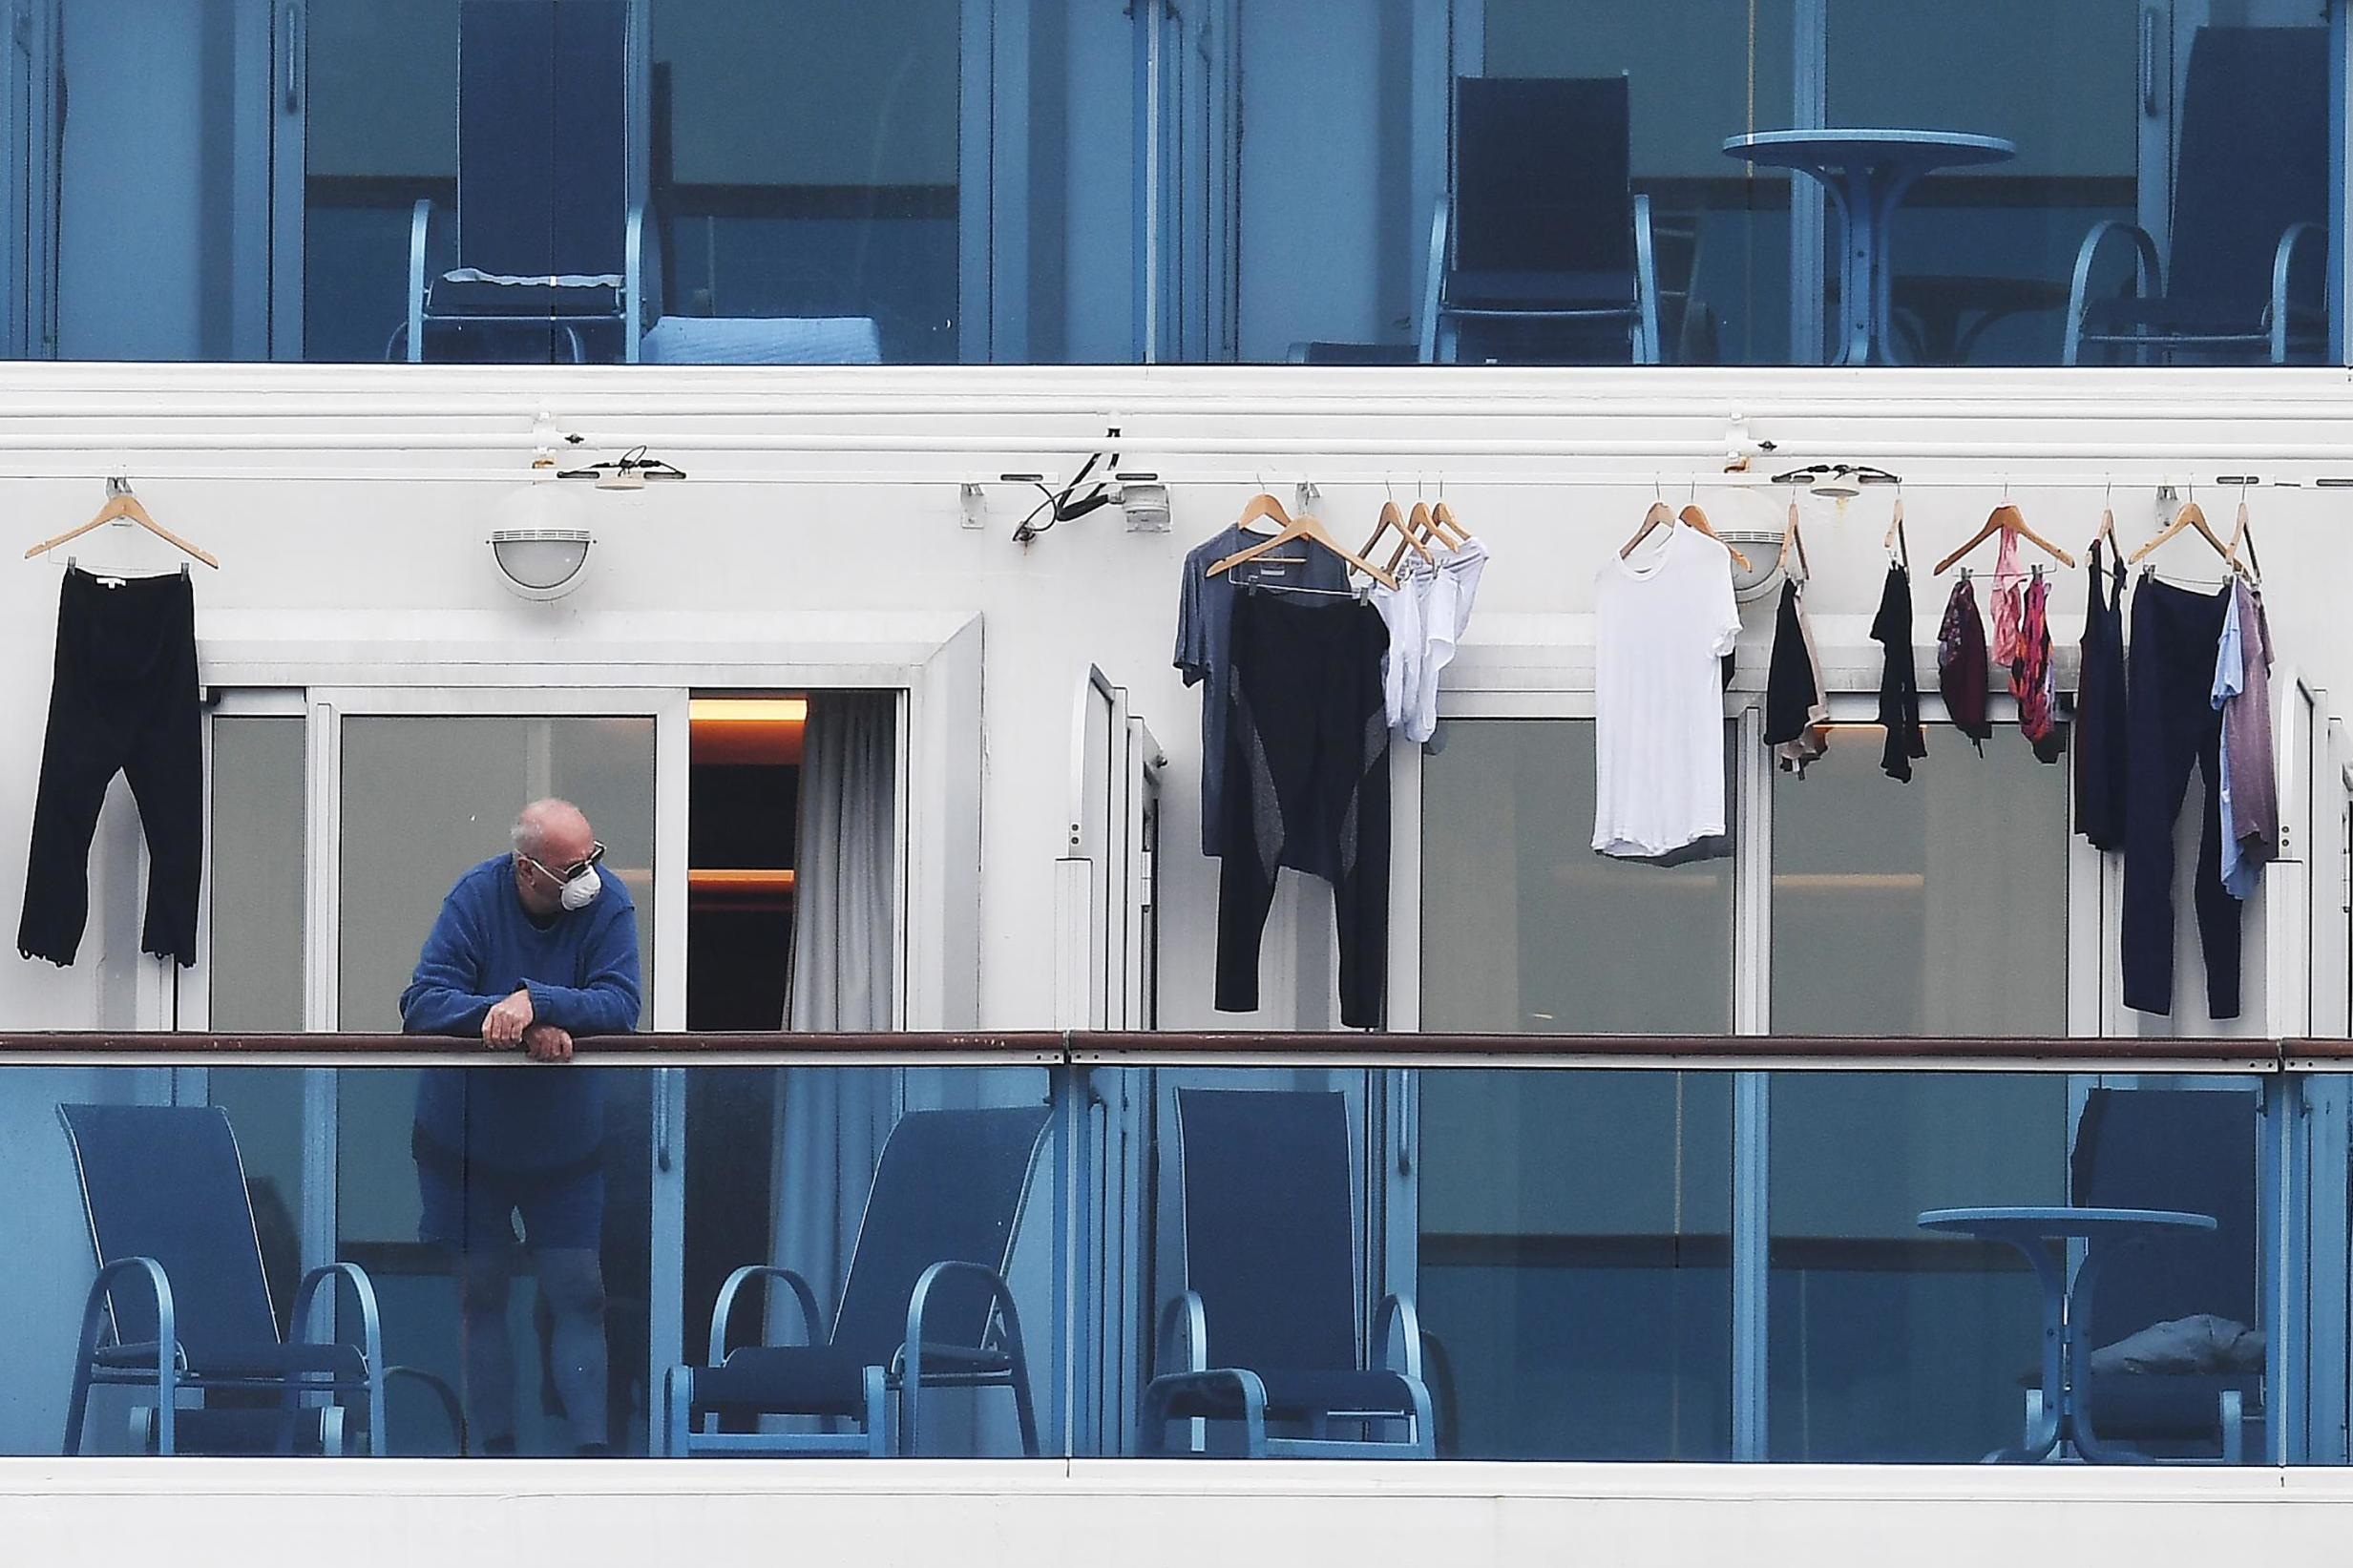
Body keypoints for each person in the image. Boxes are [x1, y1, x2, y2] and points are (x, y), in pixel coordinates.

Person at [400, 798, 642, 1457]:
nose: (589, 875)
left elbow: (621, 1004)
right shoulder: (475, 898)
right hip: (464, 1144)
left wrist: (538, 999)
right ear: (526, 869)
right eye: (571, 867)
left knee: (579, 1291)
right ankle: (494, 1453)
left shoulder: (608, 902)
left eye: (593, 856)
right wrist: (505, 1018)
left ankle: (591, 1453)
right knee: (481, 1294)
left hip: (565, 1147)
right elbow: (422, 1002)